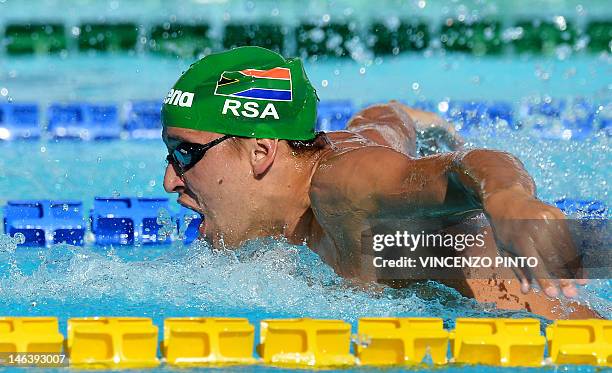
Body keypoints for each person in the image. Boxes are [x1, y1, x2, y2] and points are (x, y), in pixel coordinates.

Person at [161, 46, 596, 319]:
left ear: (261, 151)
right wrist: (422, 122)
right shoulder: (344, 148)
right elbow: (384, 119)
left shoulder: (343, 189)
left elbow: (473, 166)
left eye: (185, 153)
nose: (169, 181)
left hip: (572, 342)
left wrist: (509, 200)